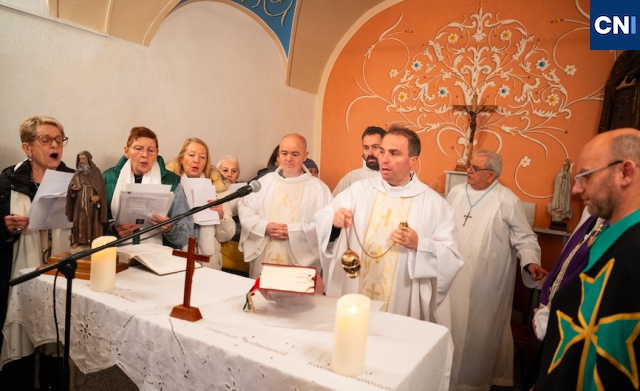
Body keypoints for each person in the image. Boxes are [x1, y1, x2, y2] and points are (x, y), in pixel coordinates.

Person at [316, 126, 463, 321]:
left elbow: (451, 257)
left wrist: (420, 244)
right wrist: (334, 223)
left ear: (413, 161)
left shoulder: (435, 205)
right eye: (382, 151)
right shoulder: (358, 191)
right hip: (356, 293)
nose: (383, 159)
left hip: (400, 301)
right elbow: (324, 218)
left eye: (394, 153)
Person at [534, 128, 640, 390]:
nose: (576, 189)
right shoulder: (608, 234)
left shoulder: (634, 249)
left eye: (585, 176)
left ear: (625, 172)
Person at [444, 149, 547, 391]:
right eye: (469, 166)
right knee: (450, 326)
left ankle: (472, 383)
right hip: (451, 276)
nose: (468, 171)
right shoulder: (456, 193)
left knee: (477, 333)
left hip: (486, 281)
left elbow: (525, 238)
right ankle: (445, 377)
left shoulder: (506, 200)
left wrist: (530, 261)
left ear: (491, 176)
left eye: (475, 168)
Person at [0, 115, 74, 389]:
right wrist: (5, 227)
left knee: (56, 353)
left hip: (59, 278)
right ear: (27, 148)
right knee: (20, 357)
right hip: (19, 279)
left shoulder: (74, 181)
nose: (54, 145)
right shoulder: (7, 182)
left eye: (59, 140)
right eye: (46, 139)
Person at [239, 133, 332, 279]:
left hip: (300, 266)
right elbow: (245, 209)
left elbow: (326, 224)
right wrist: (264, 227)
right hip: (264, 259)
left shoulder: (319, 189)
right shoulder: (264, 183)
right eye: (284, 153)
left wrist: (294, 232)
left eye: (295, 154)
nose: (288, 158)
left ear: (305, 155)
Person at [103, 127, 192, 248]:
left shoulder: (172, 181)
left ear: (157, 153)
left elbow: (186, 235)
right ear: (126, 151)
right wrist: (113, 230)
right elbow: (95, 225)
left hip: (157, 257)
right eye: (138, 149)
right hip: (117, 257)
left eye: (151, 150)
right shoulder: (108, 178)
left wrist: (170, 228)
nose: (145, 154)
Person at [165, 138, 235, 269]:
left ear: (206, 162)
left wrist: (221, 215)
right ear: (181, 159)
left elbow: (227, 236)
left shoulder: (217, 189)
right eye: (191, 155)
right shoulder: (170, 186)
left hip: (209, 262)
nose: (196, 160)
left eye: (202, 157)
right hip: (178, 258)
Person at [66, 151, 108, 250]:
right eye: (80, 159)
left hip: (92, 203)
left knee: (92, 221)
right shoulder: (78, 172)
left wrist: (97, 196)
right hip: (79, 202)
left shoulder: (96, 172)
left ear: (88, 159)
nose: (81, 161)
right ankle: (78, 240)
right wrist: (73, 188)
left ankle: (92, 241)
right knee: (79, 221)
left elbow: (101, 189)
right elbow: (71, 186)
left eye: (83, 159)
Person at [216, 156, 249, 276]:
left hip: (239, 248)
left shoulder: (246, 192)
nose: (229, 174)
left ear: (238, 174)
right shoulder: (211, 191)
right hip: (219, 247)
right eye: (225, 170)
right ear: (217, 172)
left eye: (234, 171)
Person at [332, 126, 385, 196]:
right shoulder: (351, 178)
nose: (370, 153)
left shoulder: (396, 177)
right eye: (366, 148)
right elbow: (334, 205)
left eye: (375, 147)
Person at [547, 158, 572, 230]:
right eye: (566, 166)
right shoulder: (560, 172)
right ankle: (556, 214)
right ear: (564, 166)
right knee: (557, 202)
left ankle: (562, 213)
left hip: (565, 192)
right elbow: (557, 180)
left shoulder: (569, 174)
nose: (566, 168)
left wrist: (565, 180)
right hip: (559, 191)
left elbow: (569, 184)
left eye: (568, 167)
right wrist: (561, 178)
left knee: (563, 202)